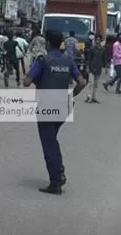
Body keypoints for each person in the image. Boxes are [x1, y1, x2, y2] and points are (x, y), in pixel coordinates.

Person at [24, 30, 86, 194]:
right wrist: (70, 95)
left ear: (47, 43)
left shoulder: (43, 60)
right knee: (52, 139)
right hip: (63, 106)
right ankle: (58, 173)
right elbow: (81, 82)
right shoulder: (68, 60)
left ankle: (56, 179)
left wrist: (36, 75)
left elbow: (26, 81)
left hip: (46, 105)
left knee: (49, 142)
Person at [85, 34, 105, 103]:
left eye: (99, 40)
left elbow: (104, 59)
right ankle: (88, 96)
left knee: (96, 84)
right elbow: (89, 58)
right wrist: (87, 67)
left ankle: (94, 97)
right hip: (91, 68)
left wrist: (105, 68)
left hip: (98, 68)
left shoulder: (102, 49)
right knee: (91, 83)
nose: (97, 41)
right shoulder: (92, 49)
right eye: (96, 39)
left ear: (100, 40)